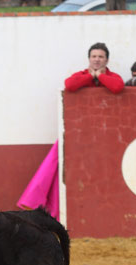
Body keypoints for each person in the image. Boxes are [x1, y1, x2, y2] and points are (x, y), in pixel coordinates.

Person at [18, 43, 124, 218]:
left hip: (103, 132)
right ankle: (43, 206)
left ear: (107, 60)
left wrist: (100, 76)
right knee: (57, 161)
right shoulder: (81, 75)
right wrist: (91, 76)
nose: (97, 59)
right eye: (94, 56)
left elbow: (117, 87)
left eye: (100, 57)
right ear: (89, 59)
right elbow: (70, 85)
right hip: (80, 132)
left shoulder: (112, 76)